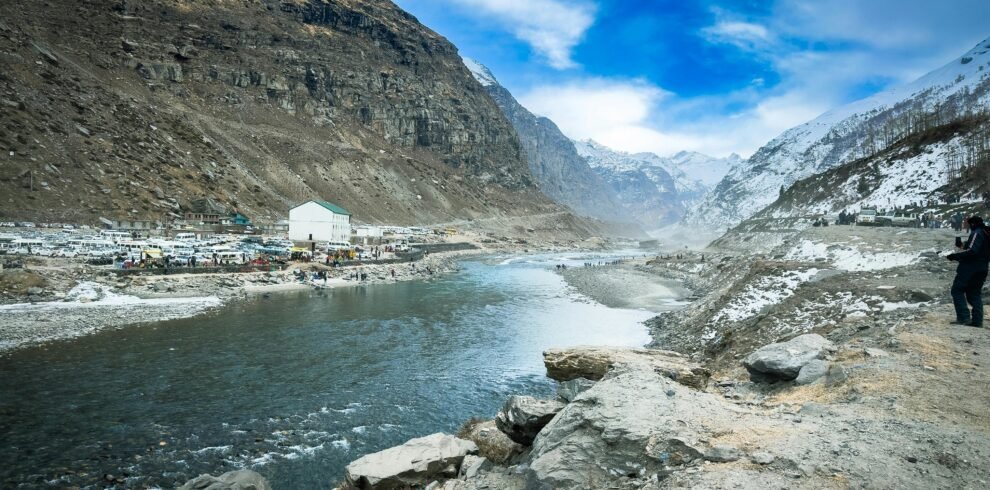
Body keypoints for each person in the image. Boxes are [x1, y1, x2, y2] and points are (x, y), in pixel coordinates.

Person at [947, 216, 990, 327]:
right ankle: (977, 321)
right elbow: (976, 248)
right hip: (983, 268)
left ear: (972, 224)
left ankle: (963, 317)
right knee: (974, 293)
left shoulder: (977, 232)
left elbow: (973, 251)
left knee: (957, 290)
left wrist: (955, 256)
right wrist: (961, 245)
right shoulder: (986, 233)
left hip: (970, 268)